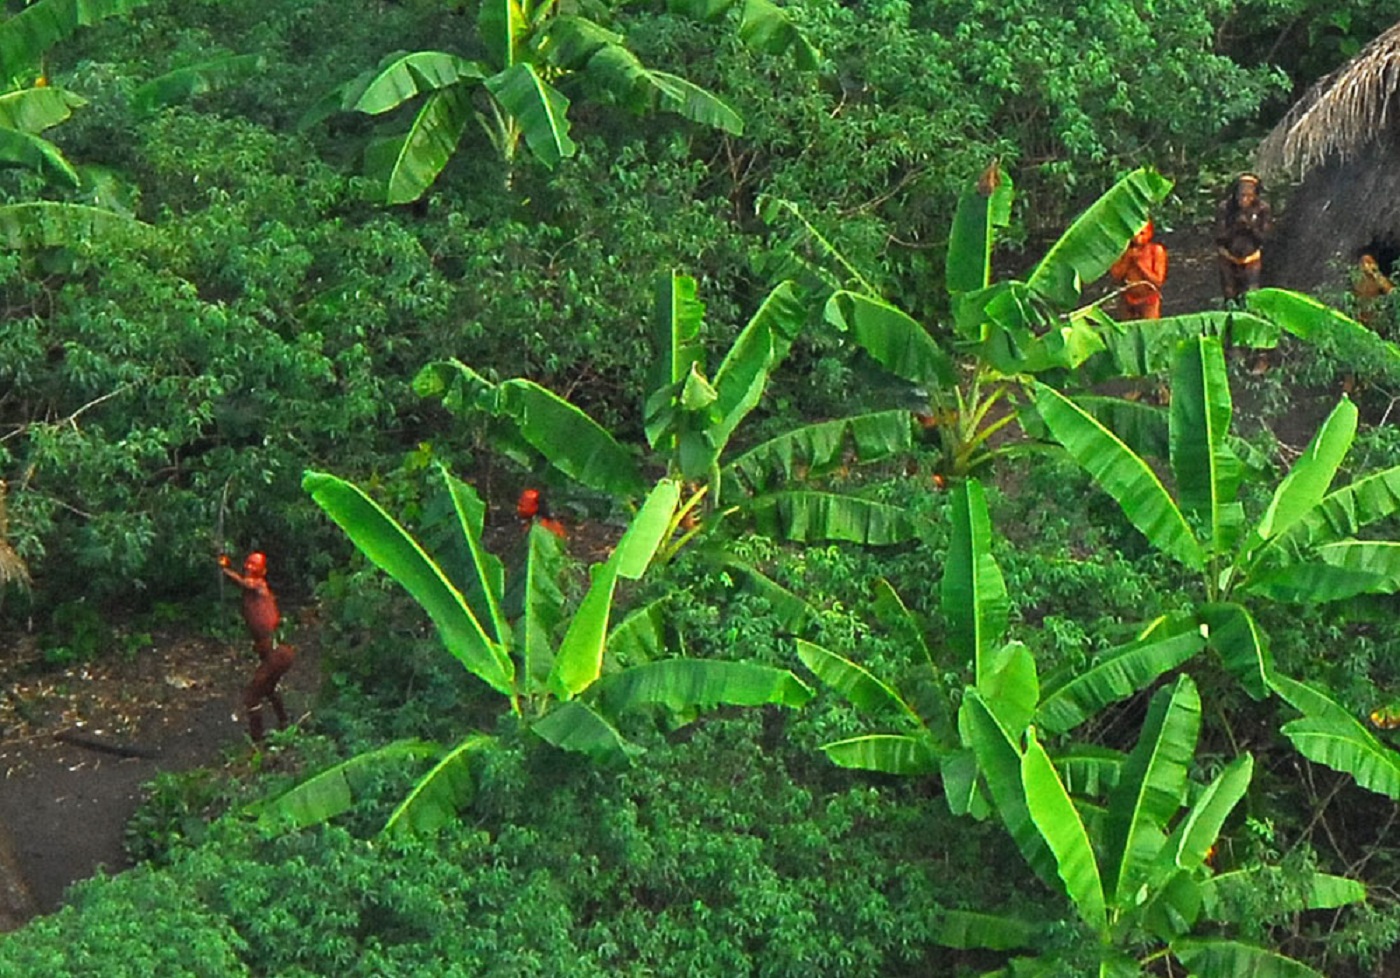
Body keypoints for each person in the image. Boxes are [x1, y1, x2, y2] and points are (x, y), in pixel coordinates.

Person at [218, 550, 294, 742]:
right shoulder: (251, 590)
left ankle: (257, 741)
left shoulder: (259, 586)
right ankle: (284, 722)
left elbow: (247, 583)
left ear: (263, 571)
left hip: (277, 651)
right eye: (248, 563)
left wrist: (225, 570)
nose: (249, 568)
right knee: (268, 688)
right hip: (271, 651)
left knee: (251, 696)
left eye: (255, 565)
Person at [1215, 174, 1272, 304]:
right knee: (1229, 293)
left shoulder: (1262, 209)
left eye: (1249, 195)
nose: (1244, 199)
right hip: (1228, 257)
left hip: (1252, 258)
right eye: (1241, 195)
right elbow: (1219, 237)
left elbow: (1265, 238)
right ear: (1235, 193)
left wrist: (1250, 227)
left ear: (1256, 195)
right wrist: (1235, 226)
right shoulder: (1225, 208)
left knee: (1251, 293)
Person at [1109, 220, 1168, 320]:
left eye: (1142, 233)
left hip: (1149, 298)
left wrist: (1140, 264)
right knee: (1127, 328)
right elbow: (1116, 276)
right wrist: (1128, 259)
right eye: (1135, 234)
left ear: (1150, 233)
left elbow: (1158, 281)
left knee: (1150, 328)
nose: (1138, 238)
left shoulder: (1155, 250)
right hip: (1127, 297)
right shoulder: (1124, 251)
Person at [1353, 253, 1394, 331]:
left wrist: (1375, 275)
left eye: (1369, 263)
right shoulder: (1357, 280)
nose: (1366, 266)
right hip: (1360, 316)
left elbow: (1391, 292)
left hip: (1375, 318)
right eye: (1363, 263)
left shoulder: (1379, 279)